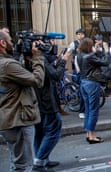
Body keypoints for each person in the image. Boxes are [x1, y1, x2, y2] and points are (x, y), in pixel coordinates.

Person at [0, 30, 45, 171]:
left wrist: (26, 59)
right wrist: (38, 57)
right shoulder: (7, 65)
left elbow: (21, 77)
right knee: (24, 165)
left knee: (17, 163)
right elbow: (37, 80)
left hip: (9, 117)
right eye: (11, 41)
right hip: (17, 119)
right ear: (2, 43)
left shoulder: (7, 63)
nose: (13, 44)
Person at [33, 41, 70, 172]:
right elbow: (55, 75)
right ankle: (39, 160)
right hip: (45, 101)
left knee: (40, 132)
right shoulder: (38, 59)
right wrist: (63, 61)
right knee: (53, 129)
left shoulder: (29, 59)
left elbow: (49, 71)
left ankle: (42, 159)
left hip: (37, 102)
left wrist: (55, 62)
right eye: (41, 43)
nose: (45, 46)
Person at [77, 37, 109, 144]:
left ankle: (88, 133)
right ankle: (91, 135)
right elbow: (105, 62)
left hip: (83, 82)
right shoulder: (89, 57)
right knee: (93, 110)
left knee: (87, 110)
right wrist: (105, 51)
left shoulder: (80, 56)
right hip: (92, 83)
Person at [66, 28, 86, 119]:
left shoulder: (86, 43)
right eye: (78, 34)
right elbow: (68, 52)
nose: (80, 35)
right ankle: (81, 109)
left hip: (85, 68)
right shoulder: (74, 43)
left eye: (81, 34)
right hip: (77, 68)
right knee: (80, 87)